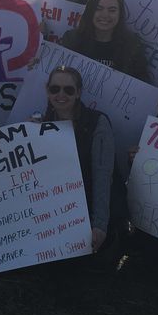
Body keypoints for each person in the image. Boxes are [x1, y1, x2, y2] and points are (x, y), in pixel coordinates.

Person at [40, 66, 115, 253]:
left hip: (90, 210)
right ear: (47, 91)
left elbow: (102, 176)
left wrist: (99, 225)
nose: (61, 94)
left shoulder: (98, 123)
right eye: (55, 89)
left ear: (79, 93)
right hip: (58, 213)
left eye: (69, 89)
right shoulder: (39, 125)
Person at [60, 0, 147, 79]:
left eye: (112, 10)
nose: (105, 15)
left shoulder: (132, 44)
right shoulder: (72, 39)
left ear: (120, 13)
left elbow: (142, 79)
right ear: (90, 11)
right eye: (98, 9)